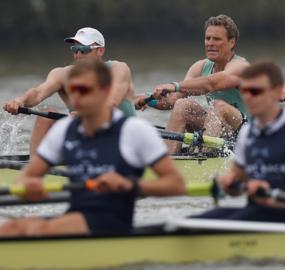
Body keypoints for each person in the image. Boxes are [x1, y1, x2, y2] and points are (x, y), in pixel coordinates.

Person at [0, 59, 185, 236]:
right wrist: (28, 184)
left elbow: (175, 184)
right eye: (73, 89)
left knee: (36, 230)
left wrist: (131, 185)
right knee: (9, 229)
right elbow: (27, 175)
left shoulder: (135, 131)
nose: (76, 96)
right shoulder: (65, 130)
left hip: (111, 222)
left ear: (105, 91)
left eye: (84, 90)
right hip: (76, 214)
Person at [192, 60, 285, 223]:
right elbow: (237, 184)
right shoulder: (247, 132)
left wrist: (276, 200)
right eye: (244, 91)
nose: (248, 97)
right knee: (190, 222)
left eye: (255, 91)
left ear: (277, 92)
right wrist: (228, 183)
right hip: (254, 213)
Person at [3, 27, 137, 156]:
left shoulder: (118, 69)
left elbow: (112, 102)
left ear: (100, 51)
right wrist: (19, 100)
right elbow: (37, 93)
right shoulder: (63, 74)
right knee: (45, 117)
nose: (78, 55)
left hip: (123, 140)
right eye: (75, 49)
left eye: (84, 50)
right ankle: (34, 171)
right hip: (88, 139)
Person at [134, 14, 249, 154]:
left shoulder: (240, 66)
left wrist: (174, 85)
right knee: (183, 105)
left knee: (218, 106)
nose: (210, 43)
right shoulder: (199, 67)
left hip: (248, 133)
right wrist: (146, 99)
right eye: (207, 38)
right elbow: (172, 100)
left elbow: (211, 84)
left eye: (217, 39)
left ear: (232, 42)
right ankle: (170, 160)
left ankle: (204, 159)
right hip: (218, 129)